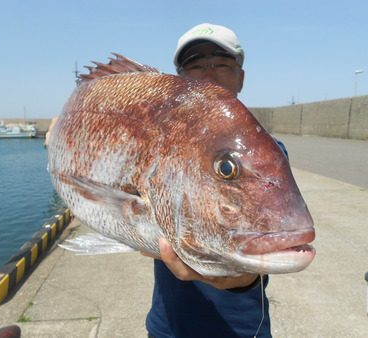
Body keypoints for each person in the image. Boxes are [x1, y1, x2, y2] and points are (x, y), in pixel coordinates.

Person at [144, 23, 280, 338]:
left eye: (221, 63)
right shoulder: (157, 145)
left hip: (241, 329)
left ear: (240, 77)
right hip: (167, 327)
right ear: (178, 81)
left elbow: (268, 236)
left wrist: (241, 277)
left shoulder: (265, 153)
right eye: (194, 65)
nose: (208, 73)